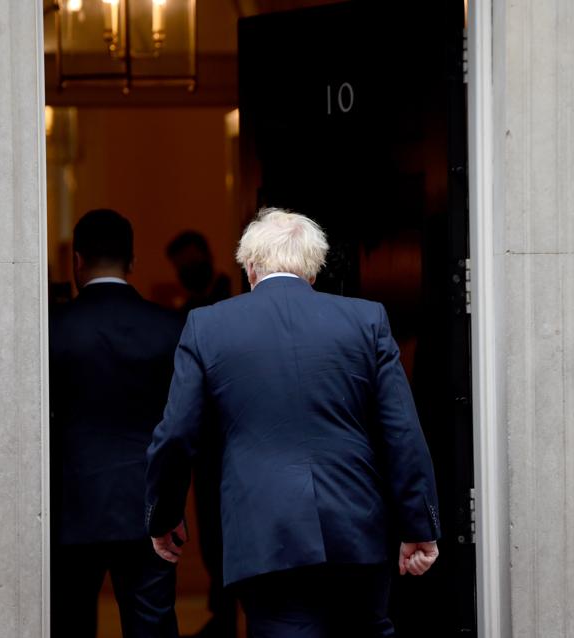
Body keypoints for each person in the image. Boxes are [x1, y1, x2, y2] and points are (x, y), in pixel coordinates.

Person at [145, 209, 441, 637]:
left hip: (266, 536)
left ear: (249, 267)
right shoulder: (367, 320)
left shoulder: (207, 325)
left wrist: (163, 515)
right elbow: (402, 434)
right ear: (313, 271)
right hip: (357, 530)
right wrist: (419, 525)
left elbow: (175, 436)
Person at [50, 209, 184, 638]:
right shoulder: (169, 327)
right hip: (147, 505)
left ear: (78, 260)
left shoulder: (51, 328)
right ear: (132, 262)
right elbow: (182, 425)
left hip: (69, 506)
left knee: (69, 623)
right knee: (152, 626)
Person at [164, 231, 236, 638]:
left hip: (230, 435)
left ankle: (228, 612)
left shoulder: (230, 296)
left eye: (189, 262)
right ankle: (222, 610)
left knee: (227, 529)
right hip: (206, 444)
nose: (185, 271)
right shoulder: (187, 307)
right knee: (210, 529)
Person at [166, 231, 232, 315]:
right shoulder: (189, 308)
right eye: (182, 267)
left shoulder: (233, 291)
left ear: (208, 256)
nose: (188, 271)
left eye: (192, 262)